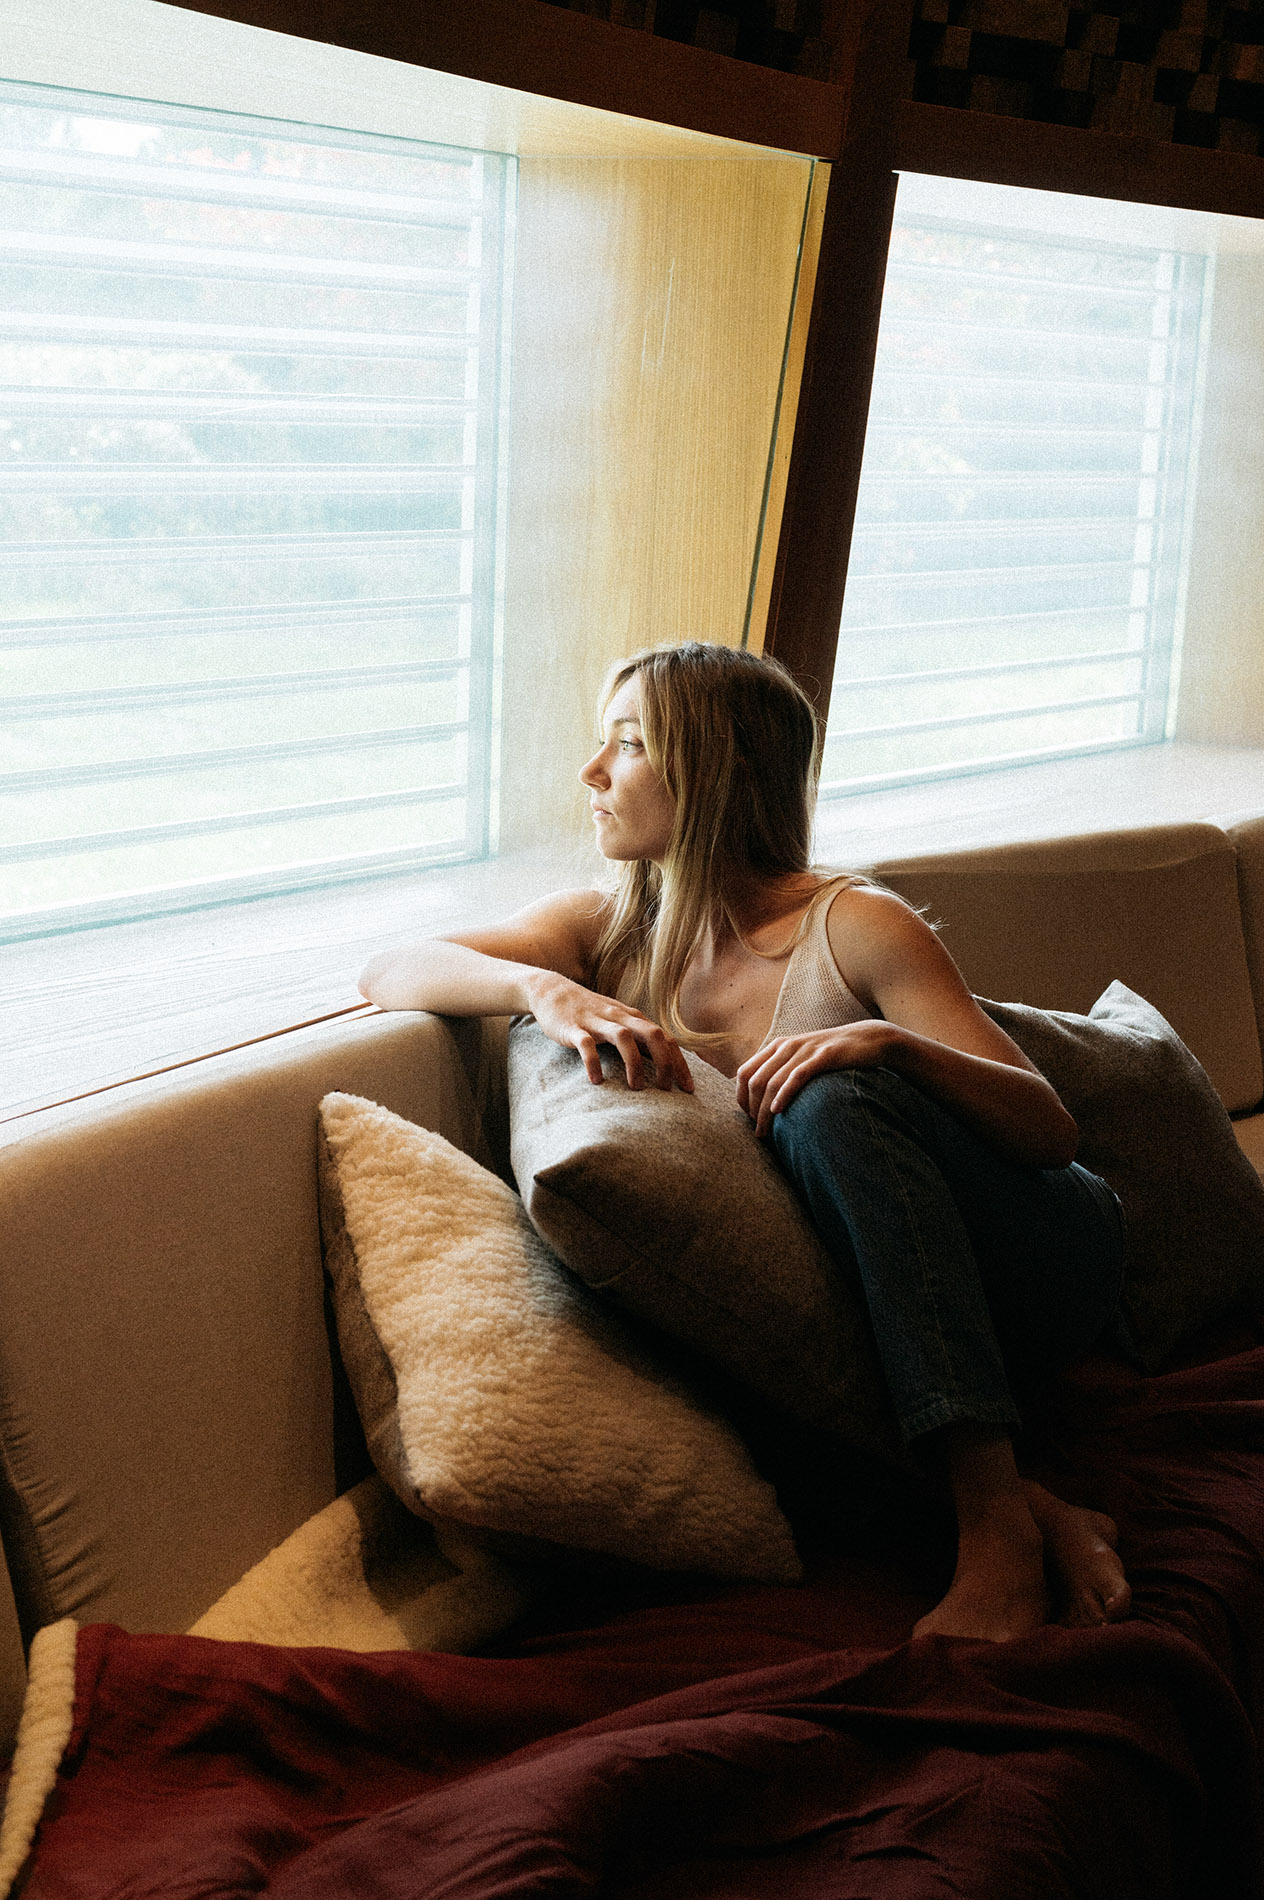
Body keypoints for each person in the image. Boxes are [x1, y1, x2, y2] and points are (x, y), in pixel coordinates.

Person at [360, 641, 1131, 1643]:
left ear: (713, 770)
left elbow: (1047, 1128)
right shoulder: (606, 935)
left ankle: (994, 1530)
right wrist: (545, 988)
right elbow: (388, 966)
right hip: (886, 1282)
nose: (593, 774)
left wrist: (886, 1045)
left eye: (627, 746)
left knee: (829, 1098)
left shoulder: (854, 923)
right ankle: (1034, 1507)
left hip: (1041, 1259)